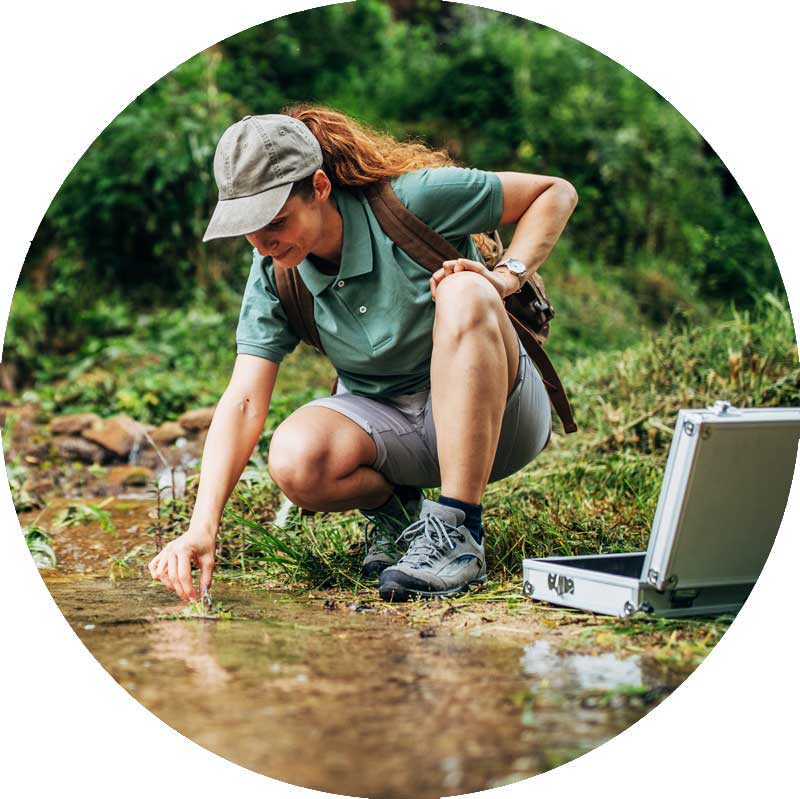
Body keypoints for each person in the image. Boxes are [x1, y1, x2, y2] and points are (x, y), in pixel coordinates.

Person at [148, 106, 577, 603]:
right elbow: (244, 399)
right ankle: (401, 520)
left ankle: (460, 531)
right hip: (395, 431)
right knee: (293, 456)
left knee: (464, 291)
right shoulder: (274, 269)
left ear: (321, 188)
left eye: (276, 221)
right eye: (249, 227)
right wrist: (202, 527)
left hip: (501, 421)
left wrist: (505, 277)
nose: (264, 243)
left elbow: (555, 192)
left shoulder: (413, 200)